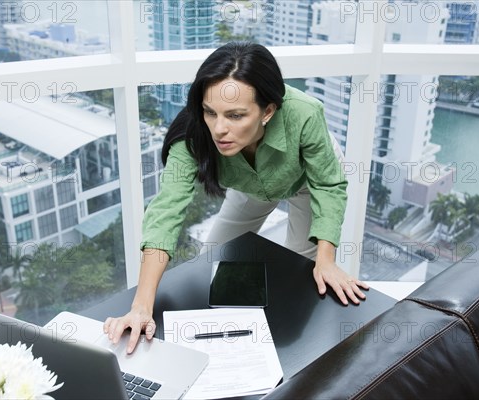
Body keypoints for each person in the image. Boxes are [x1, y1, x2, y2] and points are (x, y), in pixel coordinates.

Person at [104, 42, 369, 353]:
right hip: (250, 186)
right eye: (210, 112)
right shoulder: (191, 138)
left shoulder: (305, 114)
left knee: (301, 266)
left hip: (306, 181)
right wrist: (141, 306)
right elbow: (165, 213)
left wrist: (326, 260)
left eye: (236, 115)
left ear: (268, 111)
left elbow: (327, 185)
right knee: (214, 258)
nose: (219, 129)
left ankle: (287, 346)